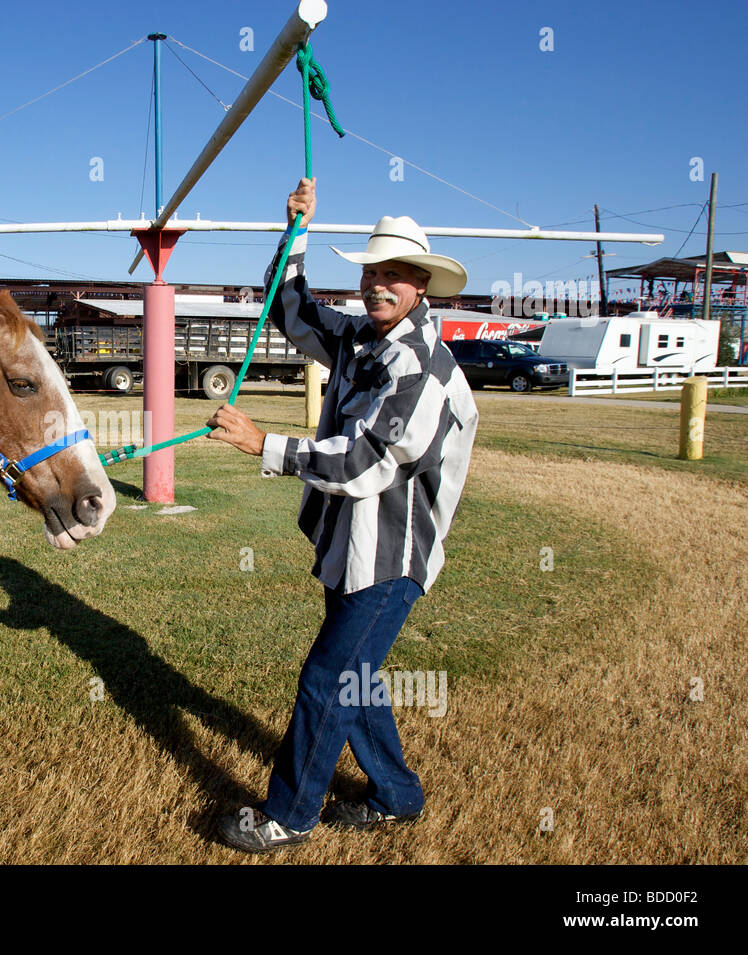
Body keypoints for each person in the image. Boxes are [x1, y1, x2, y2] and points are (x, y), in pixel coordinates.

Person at [207, 177, 479, 853]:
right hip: (348, 550)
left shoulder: (421, 365)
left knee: (328, 678)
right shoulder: (361, 338)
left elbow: (365, 461)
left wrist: (262, 443)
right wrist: (295, 229)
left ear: (421, 285)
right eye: (370, 271)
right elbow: (291, 311)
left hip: (389, 560)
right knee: (355, 675)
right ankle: (397, 794)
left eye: (394, 274)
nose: (377, 284)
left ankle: (289, 814)